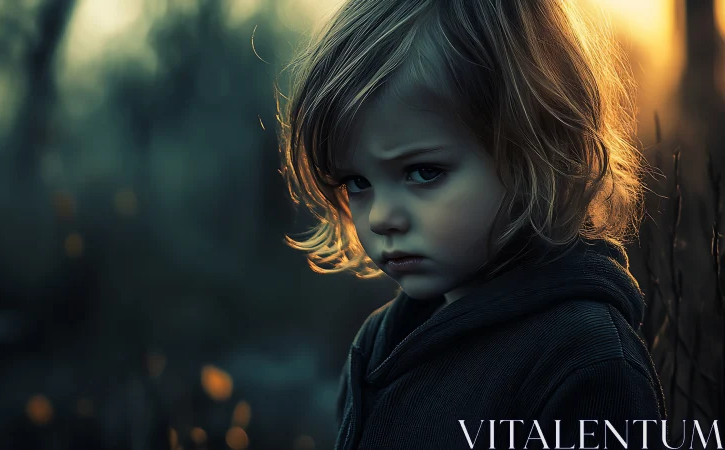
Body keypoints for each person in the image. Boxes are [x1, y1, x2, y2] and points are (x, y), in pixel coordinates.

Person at [275, 0, 667, 448]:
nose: (380, 218)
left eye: (424, 172)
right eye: (357, 182)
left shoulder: (587, 363)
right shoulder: (378, 344)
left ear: (539, 152)